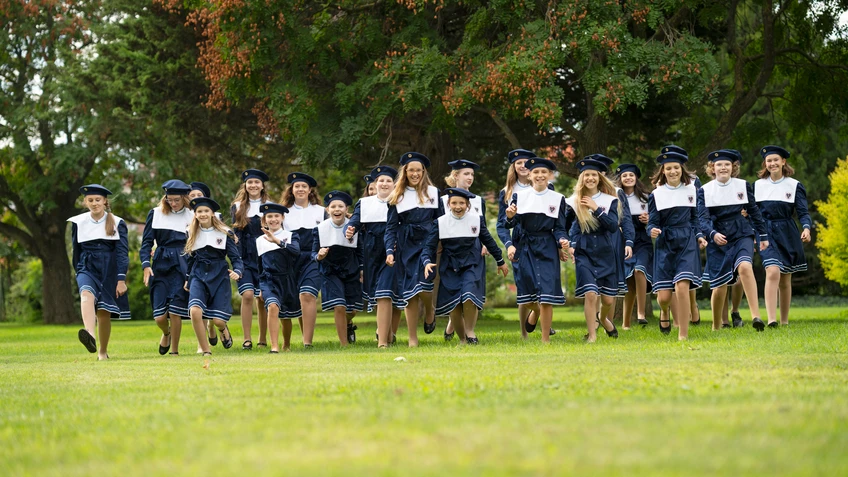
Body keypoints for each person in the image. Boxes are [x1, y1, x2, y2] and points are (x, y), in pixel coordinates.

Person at [423, 188, 509, 344]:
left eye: (462, 203)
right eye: (454, 203)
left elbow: (488, 240)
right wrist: (427, 261)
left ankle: (470, 332)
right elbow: (429, 246)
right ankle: (463, 339)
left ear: (468, 205)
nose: (458, 206)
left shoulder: (476, 220)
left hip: (471, 263)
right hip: (450, 266)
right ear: (448, 204)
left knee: (469, 295)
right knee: (454, 304)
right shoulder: (440, 222)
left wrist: (500, 261)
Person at [698, 150, 770, 331]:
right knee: (719, 286)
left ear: (733, 167)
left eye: (727, 164)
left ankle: (756, 316)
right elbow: (702, 219)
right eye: (719, 165)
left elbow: (754, 211)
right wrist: (712, 234)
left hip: (741, 232)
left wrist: (763, 236)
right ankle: (716, 325)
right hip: (718, 236)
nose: (723, 168)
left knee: (745, 267)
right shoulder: (704, 190)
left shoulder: (743, 185)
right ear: (712, 168)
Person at [505, 158, 569, 342]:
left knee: (546, 296)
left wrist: (562, 240)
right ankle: (535, 312)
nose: (540, 175)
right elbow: (510, 223)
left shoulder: (558, 199)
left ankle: (545, 340)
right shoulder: (519, 196)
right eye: (536, 172)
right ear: (530, 175)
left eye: (544, 172)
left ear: (550, 175)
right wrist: (510, 217)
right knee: (527, 297)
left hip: (548, 247)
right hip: (525, 247)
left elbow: (560, 228)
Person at [497, 149, 557, 339]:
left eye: (526, 162)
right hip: (520, 241)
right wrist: (509, 244)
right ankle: (525, 333)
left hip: (543, 241)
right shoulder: (507, 192)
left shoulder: (549, 188)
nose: (522, 166)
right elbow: (502, 224)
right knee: (525, 285)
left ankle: (541, 318)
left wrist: (558, 244)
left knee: (544, 286)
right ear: (513, 167)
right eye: (518, 163)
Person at [646, 152, 706, 340]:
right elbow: (652, 222)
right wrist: (652, 230)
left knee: (682, 286)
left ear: (682, 169)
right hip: (665, 243)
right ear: (663, 171)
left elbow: (695, 218)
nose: (673, 171)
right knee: (664, 298)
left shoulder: (692, 190)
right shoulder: (656, 194)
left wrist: (699, 236)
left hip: (687, 241)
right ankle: (664, 311)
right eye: (668, 168)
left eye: (676, 168)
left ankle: (683, 334)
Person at [385, 152, 443, 347]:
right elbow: (391, 227)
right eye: (411, 170)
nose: (415, 174)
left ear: (423, 171)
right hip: (406, 245)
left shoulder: (433, 192)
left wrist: (442, 243)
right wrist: (389, 251)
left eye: (419, 170)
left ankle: (429, 309)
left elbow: (441, 220)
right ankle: (412, 338)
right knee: (410, 291)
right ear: (405, 172)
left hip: (428, 241)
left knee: (425, 285)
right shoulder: (397, 195)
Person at [69, 184, 130, 360]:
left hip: (109, 269)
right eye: (90, 200)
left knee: (103, 312)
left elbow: (122, 253)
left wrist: (121, 279)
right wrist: (78, 271)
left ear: (104, 201)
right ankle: (90, 334)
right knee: (86, 293)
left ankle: (102, 352)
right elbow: (76, 250)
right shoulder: (78, 222)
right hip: (87, 266)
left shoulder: (118, 222)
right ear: (85, 202)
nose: (94, 203)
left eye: (97, 200)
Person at [754, 145, 812, 326]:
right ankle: (772, 320)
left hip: (787, 232)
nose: (772, 163)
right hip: (765, 232)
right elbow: (752, 212)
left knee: (785, 278)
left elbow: (803, 212)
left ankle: (784, 321)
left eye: (775, 160)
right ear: (765, 163)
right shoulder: (757, 185)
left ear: (783, 161)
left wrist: (806, 228)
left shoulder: (794, 185)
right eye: (769, 161)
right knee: (772, 271)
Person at [346, 166, 403, 348]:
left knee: (385, 293)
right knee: (378, 296)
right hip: (371, 252)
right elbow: (354, 222)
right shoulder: (364, 203)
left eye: (388, 181)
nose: (384, 184)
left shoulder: (400, 201)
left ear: (394, 184)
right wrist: (350, 230)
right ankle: (387, 333)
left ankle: (382, 342)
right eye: (381, 181)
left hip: (393, 251)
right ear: (375, 184)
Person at [564, 159, 620, 343]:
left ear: (599, 178)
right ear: (581, 178)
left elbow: (613, 226)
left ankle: (603, 318)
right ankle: (592, 335)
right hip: (584, 251)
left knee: (608, 301)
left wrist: (596, 209)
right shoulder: (572, 202)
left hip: (605, 251)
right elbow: (564, 227)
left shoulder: (610, 200)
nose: (590, 178)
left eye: (594, 175)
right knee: (590, 294)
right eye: (586, 175)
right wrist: (568, 244)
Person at [140, 180, 194, 356]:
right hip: (161, 264)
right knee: (159, 316)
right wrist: (146, 265)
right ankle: (166, 332)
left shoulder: (193, 215)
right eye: (169, 199)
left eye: (177, 200)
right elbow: (147, 242)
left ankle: (175, 351)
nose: (173, 203)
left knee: (175, 310)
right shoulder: (155, 213)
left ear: (184, 198)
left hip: (182, 263)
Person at [184, 197, 243, 355]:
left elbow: (236, 258)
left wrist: (237, 271)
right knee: (195, 311)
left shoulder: (224, 233)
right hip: (198, 274)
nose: (202, 214)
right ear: (195, 214)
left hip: (219, 275)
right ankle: (205, 350)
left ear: (212, 213)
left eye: (206, 211)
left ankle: (222, 328)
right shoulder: (190, 232)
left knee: (218, 320)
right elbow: (190, 259)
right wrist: (187, 278)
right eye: (199, 211)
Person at [441, 159, 486, 340]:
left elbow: (483, 228)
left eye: (472, 174)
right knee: (454, 290)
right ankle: (453, 323)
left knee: (471, 290)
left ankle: (469, 332)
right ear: (455, 175)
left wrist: (485, 245)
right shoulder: (443, 201)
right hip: (451, 253)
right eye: (466, 174)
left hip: (474, 251)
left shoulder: (478, 200)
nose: (470, 177)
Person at [280, 172, 326, 348]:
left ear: (310, 190)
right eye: (297, 186)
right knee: (291, 300)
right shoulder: (283, 213)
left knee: (307, 294)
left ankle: (307, 343)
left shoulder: (321, 211)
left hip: (313, 258)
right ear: (291, 190)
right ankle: (286, 343)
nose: (300, 189)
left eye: (304, 186)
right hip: (289, 260)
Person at [313, 191, 364, 346]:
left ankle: (348, 324)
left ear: (346, 209)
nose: (337, 209)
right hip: (330, 270)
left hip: (351, 269)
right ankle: (344, 344)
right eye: (333, 206)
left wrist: (362, 269)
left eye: (340, 206)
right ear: (327, 210)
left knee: (352, 310)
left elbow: (360, 251)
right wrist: (319, 256)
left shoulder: (353, 227)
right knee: (339, 305)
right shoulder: (320, 228)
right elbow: (313, 253)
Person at [231, 169, 270, 350]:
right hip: (245, 257)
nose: (253, 185)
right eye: (250, 182)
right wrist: (237, 260)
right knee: (247, 295)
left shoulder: (270, 205)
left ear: (262, 186)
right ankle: (247, 339)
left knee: (262, 298)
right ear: (245, 185)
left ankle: (262, 338)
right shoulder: (237, 206)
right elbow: (235, 234)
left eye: (257, 182)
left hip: (264, 256)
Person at [256, 202, 301, 352]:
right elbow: (259, 265)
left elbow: (296, 251)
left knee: (286, 316)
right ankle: (274, 346)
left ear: (282, 218)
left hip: (287, 280)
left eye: (276, 216)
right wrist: (260, 287)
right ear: (264, 220)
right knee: (272, 306)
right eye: (269, 216)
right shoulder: (259, 240)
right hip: (268, 280)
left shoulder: (291, 235)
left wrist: (277, 241)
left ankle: (286, 344)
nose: (273, 219)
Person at [615, 164, 653, 329]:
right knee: (629, 282)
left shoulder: (647, 197)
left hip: (643, 240)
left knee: (639, 270)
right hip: (623, 241)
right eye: (624, 176)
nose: (628, 178)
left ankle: (641, 313)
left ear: (636, 177)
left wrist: (649, 219)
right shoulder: (615, 197)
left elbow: (657, 218)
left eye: (631, 175)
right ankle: (626, 323)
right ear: (620, 179)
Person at [188, 182, 220, 350]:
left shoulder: (216, 217)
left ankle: (212, 326)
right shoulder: (186, 219)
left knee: (210, 305)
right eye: (192, 196)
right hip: (196, 268)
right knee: (196, 306)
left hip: (215, 270)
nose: (195, 198)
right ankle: (202, 345)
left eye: (198, 195)